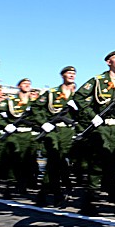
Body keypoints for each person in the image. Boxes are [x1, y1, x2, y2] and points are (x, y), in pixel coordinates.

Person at [72, 50, 115, 216]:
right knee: (99, 165)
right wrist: (93, 116)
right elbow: (78, 97)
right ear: (108, 62)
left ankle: (113, 199)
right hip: (101, 129)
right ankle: (91, 202)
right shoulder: (97, 81)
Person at [32, 66, 78, 207]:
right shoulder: (51, 93)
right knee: (54, 162)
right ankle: (52, 194)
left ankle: (49, 193)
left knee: (62, 163)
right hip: (54, 131)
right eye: (68, 73)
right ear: (62, 75)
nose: (71, 75)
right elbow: (35, 107)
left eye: (73, 73)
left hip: (69, 132)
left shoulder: (78, 95)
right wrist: (43, 123)